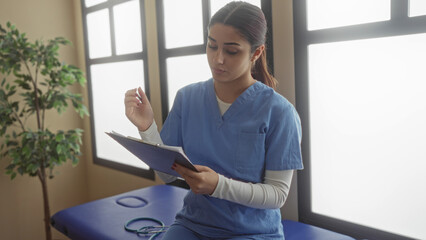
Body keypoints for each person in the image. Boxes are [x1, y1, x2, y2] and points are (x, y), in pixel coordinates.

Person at [124, 2, 303, 239]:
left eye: (231, 51)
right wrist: (147, 127)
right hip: (193, 225)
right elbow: (168, 174)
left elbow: (277, 194)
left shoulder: (279, 112)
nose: (218, 59)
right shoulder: (187, 98)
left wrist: (218, 186)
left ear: (256, 52)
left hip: (252, 232)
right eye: (211, 46)